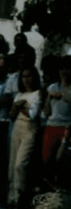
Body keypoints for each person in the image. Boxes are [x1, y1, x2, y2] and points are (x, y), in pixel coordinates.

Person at [7, 66, 42, 209]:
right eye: (24, 76)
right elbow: (11, 116)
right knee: (12, 164)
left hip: (30, 128)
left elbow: (33, 114)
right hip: (17, 127)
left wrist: (22, 107)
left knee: (20, 164)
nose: (26, 79)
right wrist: (15, 108)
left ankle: (20, 196)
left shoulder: (38, 94)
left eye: (29, 76)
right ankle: (11, 198)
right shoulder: (19, 94)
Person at [41, 56, 71, 185]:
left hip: (66, 127)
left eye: (68, 69)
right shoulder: (53, 87)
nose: (64, 72)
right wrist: (49, 97)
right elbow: (46, 112)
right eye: (62, 69)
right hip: (51, 126)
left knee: (61, 160)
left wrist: (63, 95)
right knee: (46, 159)